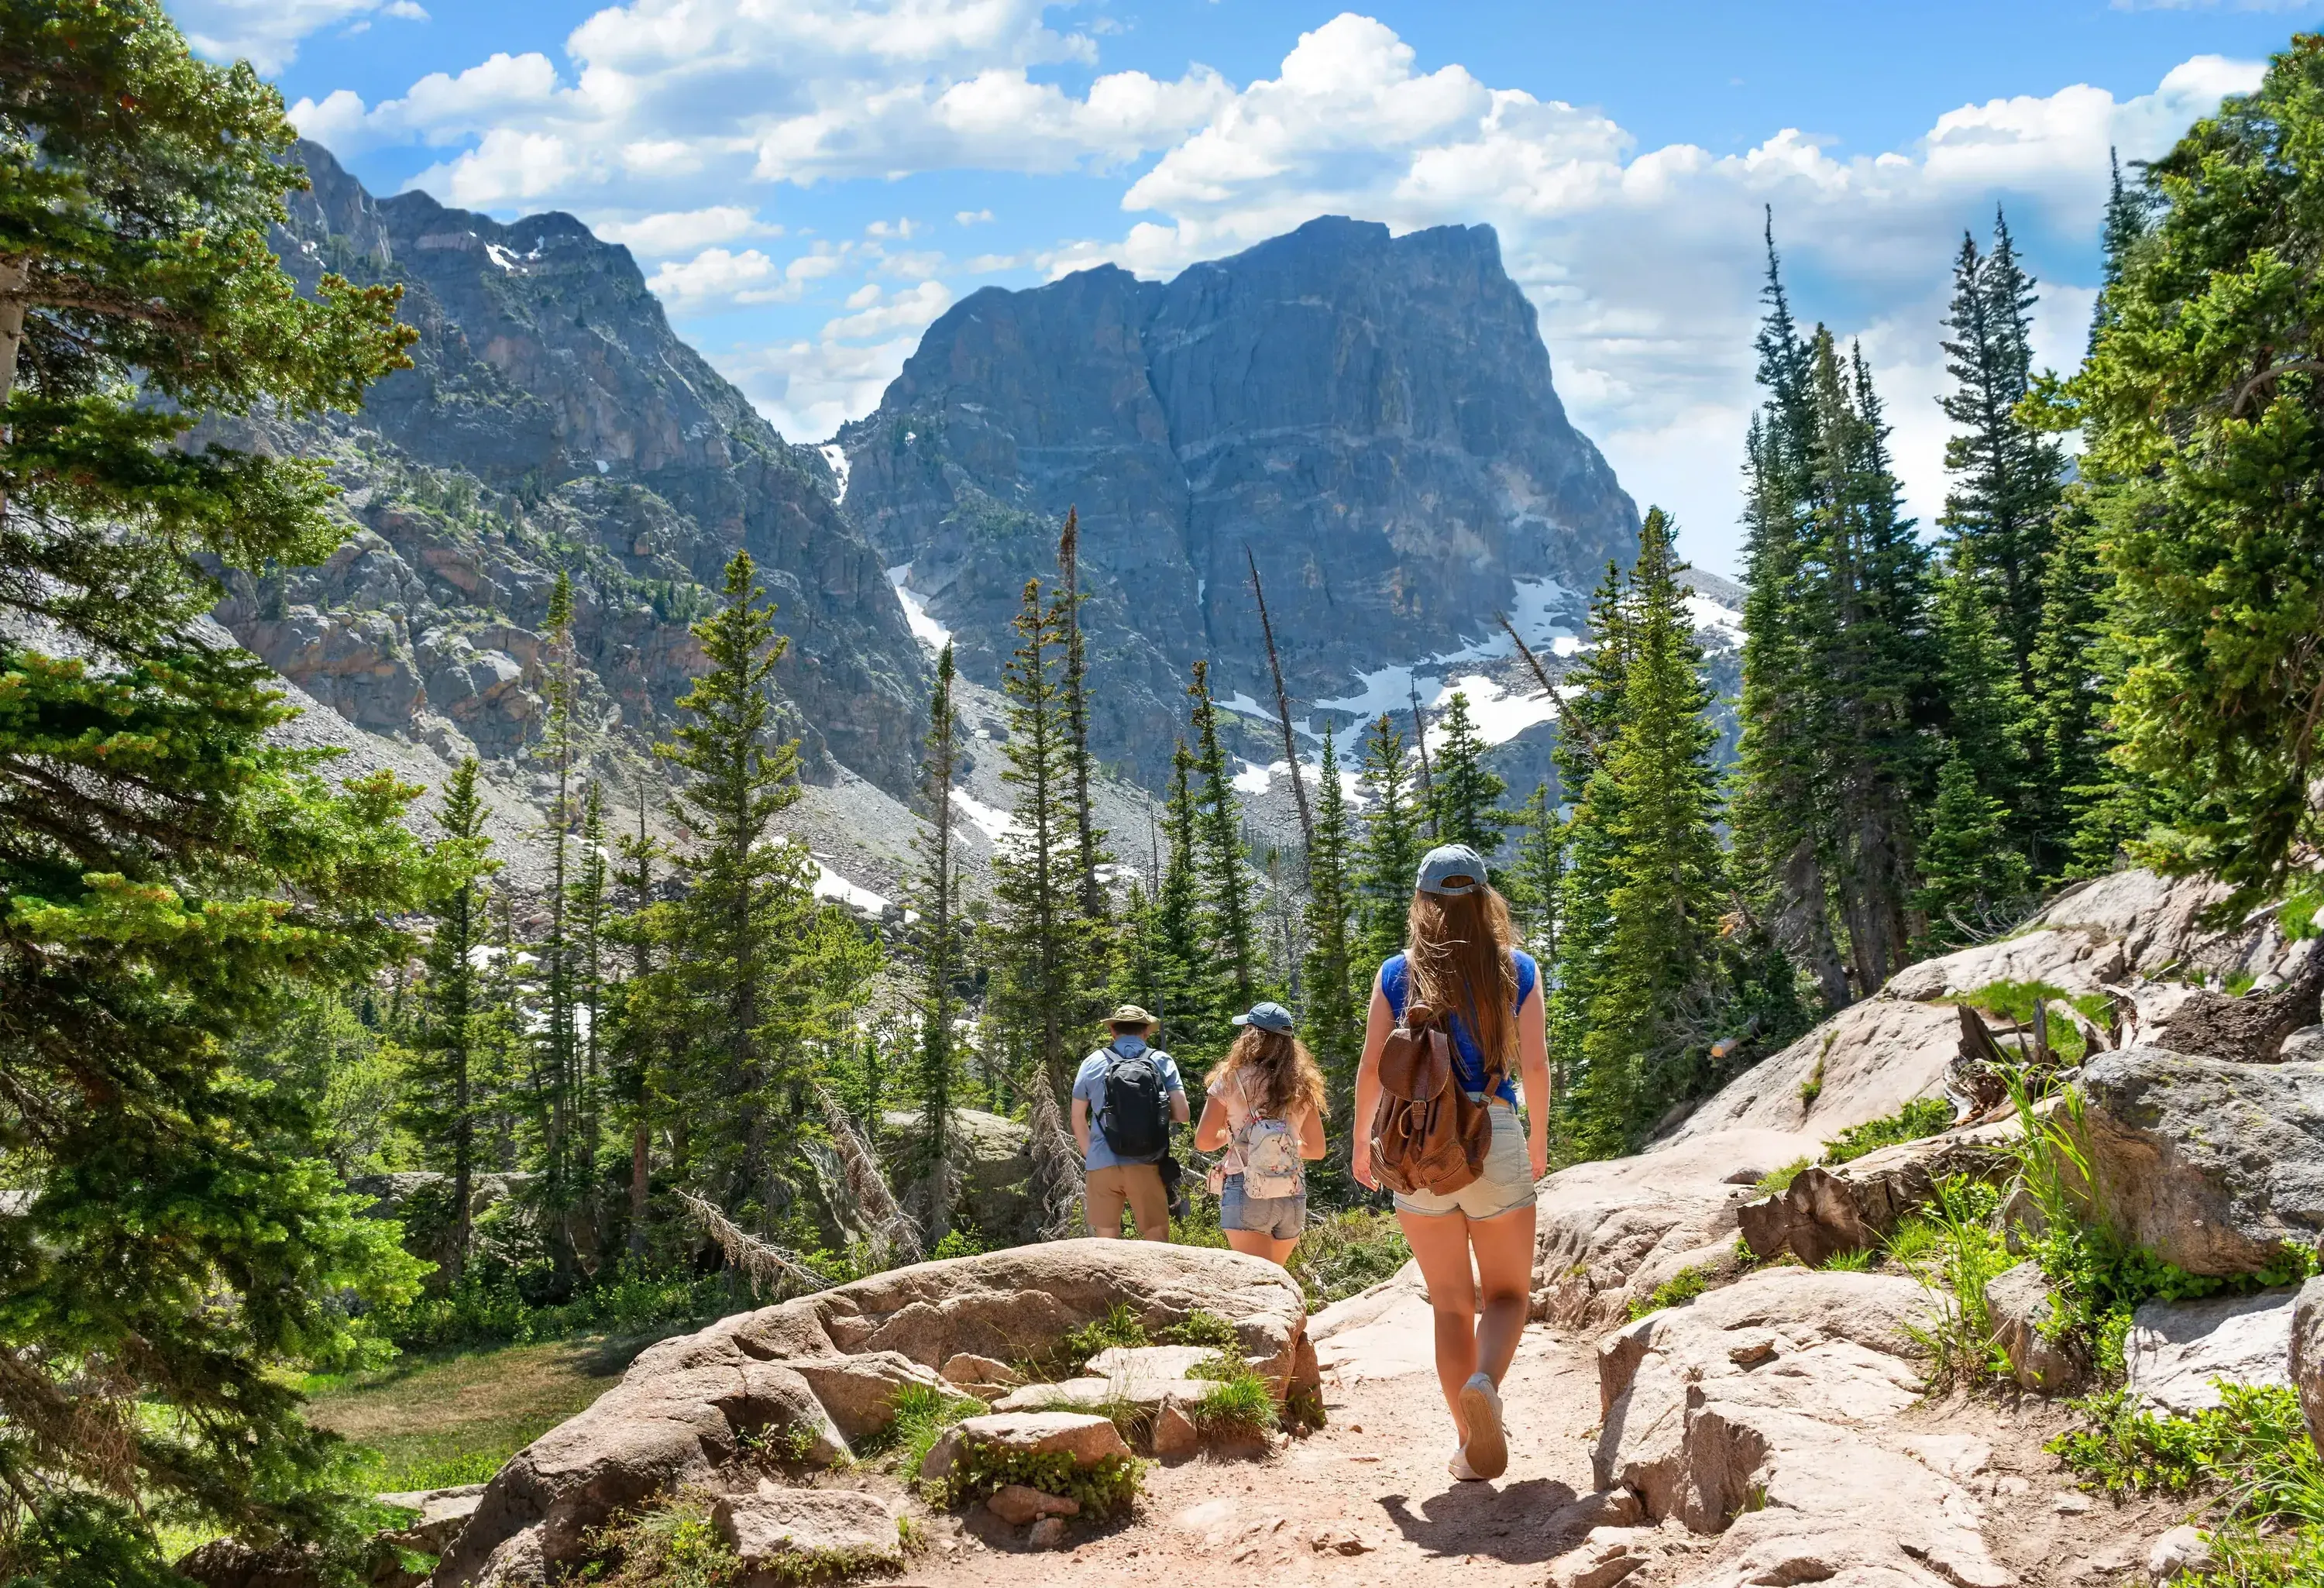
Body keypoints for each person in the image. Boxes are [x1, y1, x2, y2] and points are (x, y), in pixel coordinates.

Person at [1352, 844, 1551, 1484]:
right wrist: (1539, 1142)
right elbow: (1538, 1066)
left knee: (1448, 1304)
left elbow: (1370, 1069)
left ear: (1424, 902)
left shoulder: (1395, 973)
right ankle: (1486, 1384)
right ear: (1485, 900)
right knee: (1508, 1294)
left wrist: (1363, 1144)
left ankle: (1469, 1446)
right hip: (1490, 1130)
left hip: (1417, 1145)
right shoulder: (1515, 968)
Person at [1192, 1002, 1329, 1267]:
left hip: (1247, 1189)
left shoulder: (1231, 1079)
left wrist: (1234, 1138)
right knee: (1278, 1280)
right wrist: (1280, 1146)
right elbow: (1316, 1149)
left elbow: (1204, 1141)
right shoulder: (1302, 1084)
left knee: (1260, 1288)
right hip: (1291, 1192)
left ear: (1251, 1036)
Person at [1071, 1005, 1190, 1240]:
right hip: (1147, 1162)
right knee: (1156, 1239)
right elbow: (1183, 1114)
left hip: (1101, 1162)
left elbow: (1077, 1118)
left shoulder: (1092, 1062)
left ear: (1112, 1030)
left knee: (1106, 1243)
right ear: (1146, 1031)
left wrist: (1092, 1154)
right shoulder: (1160, 1060)